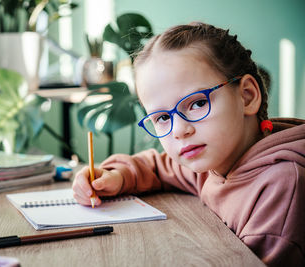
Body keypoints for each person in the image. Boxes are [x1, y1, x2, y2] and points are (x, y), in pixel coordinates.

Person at [72, 22, 305, 266]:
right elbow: (159, 166)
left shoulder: (282, 186)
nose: (181, 131)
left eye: (197, 104)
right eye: (162, 118)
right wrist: (115, 176)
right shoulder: (216, 160)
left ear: (247, 95)